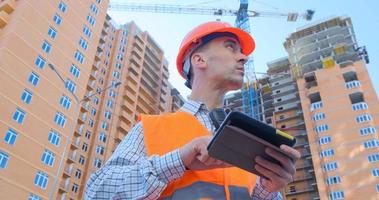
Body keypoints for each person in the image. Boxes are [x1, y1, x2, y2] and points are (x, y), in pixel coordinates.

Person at [85, 21, 300, 200]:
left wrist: (268, 190)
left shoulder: (248, 141)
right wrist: (178, 160)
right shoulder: (151, 128)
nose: (243, 57)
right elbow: (95, 193)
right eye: (230, 47)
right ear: (199, 60)